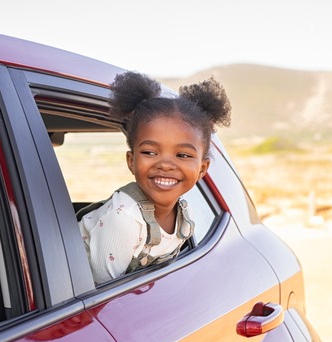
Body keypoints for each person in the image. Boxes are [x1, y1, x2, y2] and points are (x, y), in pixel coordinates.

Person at [78, 71, 231, 284]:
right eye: (150, 152)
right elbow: (102, 300)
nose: (165, 164)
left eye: (183, 155)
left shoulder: (184, 214)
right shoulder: (124, 220)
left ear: (203, 168)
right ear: (131, 161)